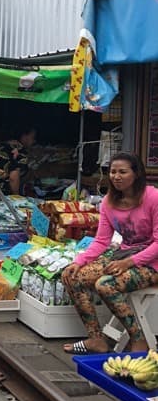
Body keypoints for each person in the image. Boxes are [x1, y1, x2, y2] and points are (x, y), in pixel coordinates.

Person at [61, 152, 158, 355]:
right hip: (124, 256)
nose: (116, 176)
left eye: (123, 172)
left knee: (105, 285)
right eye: (113, 172)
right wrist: (79, 261)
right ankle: (96, 338)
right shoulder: (108, 202)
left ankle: (137, 338)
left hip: (152, 263)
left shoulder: (153, 197)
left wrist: (129, 262)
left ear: (137, 173)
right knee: (72, 277)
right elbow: (101, 240)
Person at [0, 126, 36, 200]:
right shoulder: (19, 151)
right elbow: (13, 177)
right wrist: (17, 197)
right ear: (24, 136)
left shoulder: (2, 145)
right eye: (33, 137)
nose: (34, 141)